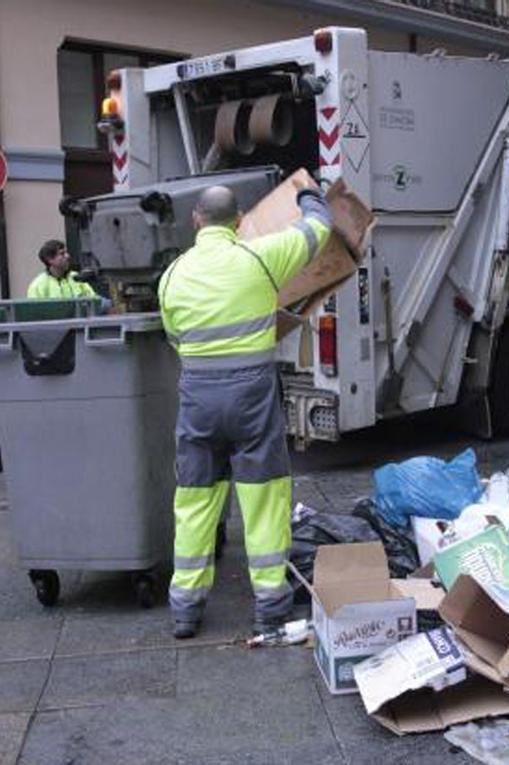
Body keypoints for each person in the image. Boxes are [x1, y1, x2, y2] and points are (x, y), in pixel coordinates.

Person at [157, 182, 331, 639]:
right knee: (263, 497)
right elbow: (319, 231)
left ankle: (185, 610)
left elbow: (174, 338)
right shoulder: (261, 257)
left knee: (194, 501)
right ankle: (270, 606)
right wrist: (308, 196)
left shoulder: (172, 275)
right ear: (238, 222)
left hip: (198, 397)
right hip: (252, 396)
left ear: (197, 220)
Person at [26, 239, 98, 299]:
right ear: (50, 259)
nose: (67, 256)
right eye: (62, 253)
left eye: (66, 252)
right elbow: (34, 313)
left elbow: (94, 301)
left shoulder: (78, 278)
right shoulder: (38, 285)